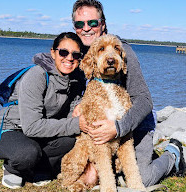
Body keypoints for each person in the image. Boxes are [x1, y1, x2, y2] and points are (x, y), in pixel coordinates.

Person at [70, 0, 185, 187]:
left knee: (143, 179)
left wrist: (118, 128)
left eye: (93, 23)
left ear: (103, 23)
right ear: (75, 28)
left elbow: (145, 101)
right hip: (100, 126)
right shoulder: (79, 52)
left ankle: (173, 154)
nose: (86, 29)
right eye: (80, 24)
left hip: (135, 124)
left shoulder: (122, 51)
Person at [0, 32, 87, 189]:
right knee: (27, 153)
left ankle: (40, 168)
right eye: (63, 52)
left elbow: (70, 117)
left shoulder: (76, 80)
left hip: (39, 135)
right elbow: (31, 127)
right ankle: (12, 168)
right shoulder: (37, 75)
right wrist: (77, 124)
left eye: (76, 54)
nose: (69, 58)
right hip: (8, 131)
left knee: (73, 141)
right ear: (53, 52)